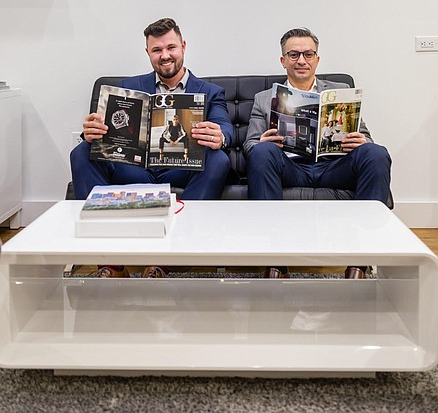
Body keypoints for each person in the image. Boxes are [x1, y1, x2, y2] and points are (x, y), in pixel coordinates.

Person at [70, 17, 233, 278]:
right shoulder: (128, 87)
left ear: (183, 46)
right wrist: (91, 131)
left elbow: (225, 126)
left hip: (180, 169)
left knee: (219, 159)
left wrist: (220, 136)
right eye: (157, 50)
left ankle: (167, 257)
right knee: (81, 152)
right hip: (135, 168)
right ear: (148, 52)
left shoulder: (211, 91)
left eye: (171, 47)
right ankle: (110, 261)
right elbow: (108, 126)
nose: (165, 55)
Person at [243, 27, 392, 280]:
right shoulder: (264, 98)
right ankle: (275, 263)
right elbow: (249, 146)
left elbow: (367, 137)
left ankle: (360, 263)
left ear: (317, 59)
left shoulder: (340, 92)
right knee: (261, 151)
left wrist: (362, 140)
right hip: (291, 168)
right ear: (283, 60)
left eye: (308, 54)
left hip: (334, 168)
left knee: (376, 153)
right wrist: (262, 143)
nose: (301, 60)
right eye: (293, 55)